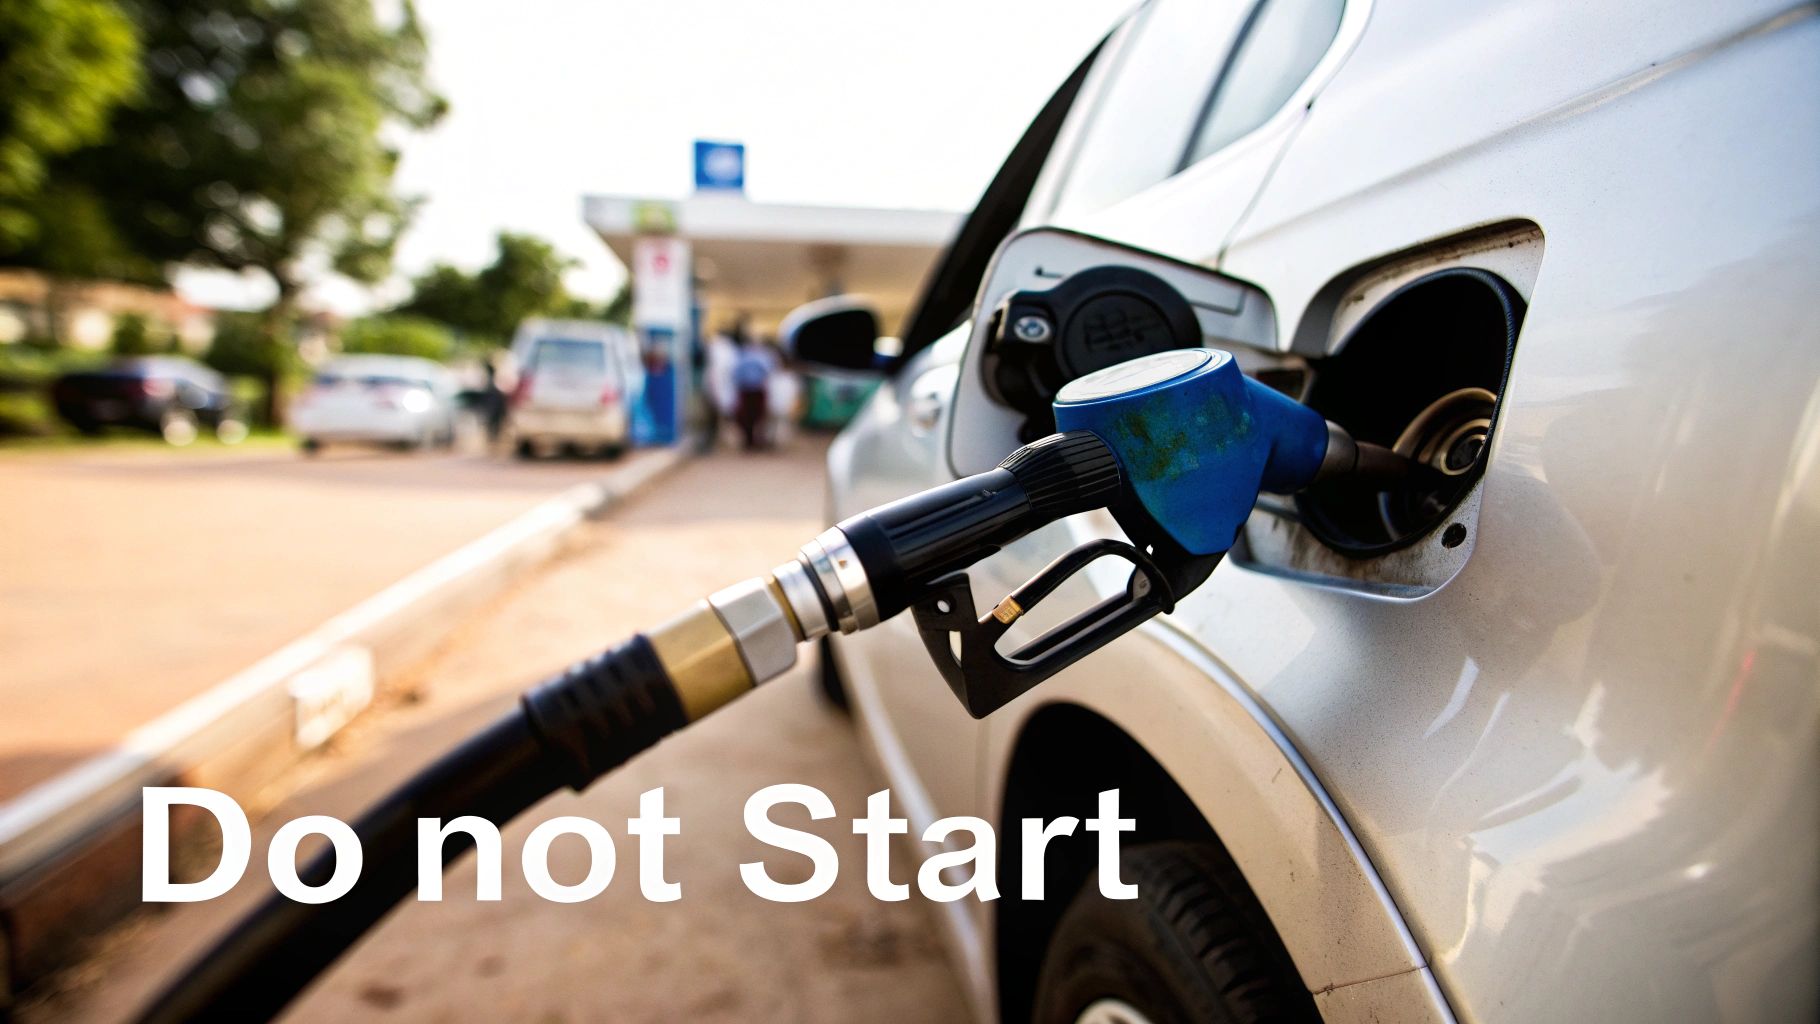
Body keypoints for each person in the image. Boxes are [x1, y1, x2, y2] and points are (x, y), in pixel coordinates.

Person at [731, 332, 776, 451]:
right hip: (749, 390)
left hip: (753, 390)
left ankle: (754, 440)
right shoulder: (752, 355)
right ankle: (750, 440)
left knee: (755, 417)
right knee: (750, 417)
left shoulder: (747, 355)